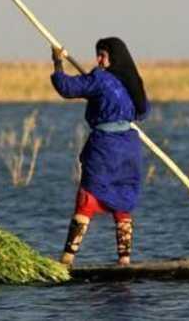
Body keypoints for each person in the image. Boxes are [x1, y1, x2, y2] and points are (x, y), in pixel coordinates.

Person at [50, 37, 149, 267]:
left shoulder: (102, 79)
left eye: (102, 55)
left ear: (113, 58)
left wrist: (57, 62)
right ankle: (124, 261)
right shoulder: (132, 82)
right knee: (123, 201)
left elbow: (66, 88)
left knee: (87, 197)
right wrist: (95, 91)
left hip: (106, 148)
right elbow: (142, 112)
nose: (98, 60)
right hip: (130, 149)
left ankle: (66, 260)